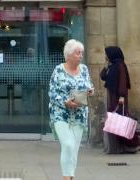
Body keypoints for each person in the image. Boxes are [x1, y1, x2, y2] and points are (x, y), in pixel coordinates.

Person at [48, 38, 93, 180]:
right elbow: (52, 92)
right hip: (60, 113)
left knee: (74, 149)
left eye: (81, 53)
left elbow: (89, 85)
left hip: (79, 115)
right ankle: (67, 178)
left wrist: (91, 90)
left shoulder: (84, 69)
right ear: (68, 55)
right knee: (68, 145)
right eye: (77, 53)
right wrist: (65, 102)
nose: (80, 56)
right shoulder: (58, 70)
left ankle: (70, 176)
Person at [100, 45, 140, 154]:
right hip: (111, 95)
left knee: (119, 121)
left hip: (118, 97)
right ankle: (116, 147)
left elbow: (123, 81)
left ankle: (133, 144)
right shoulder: (112, 65)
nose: (106, 56)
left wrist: (122, 96)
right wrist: (106, 66)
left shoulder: (120, 65)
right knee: (114, 121)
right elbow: (103, 76)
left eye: (107, 54)